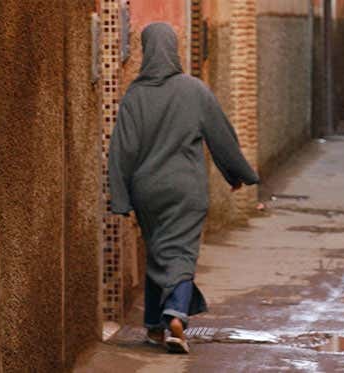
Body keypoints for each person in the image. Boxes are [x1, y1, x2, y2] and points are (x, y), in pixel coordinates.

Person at [108, 22, 259, 354]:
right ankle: (176, 316)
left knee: (158, 250)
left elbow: (122, 149)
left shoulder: (135, 95)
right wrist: (237, 174)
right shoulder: (195, 90)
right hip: (187, 190)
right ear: (174, 50)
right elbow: (221, 136)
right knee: (180, 253)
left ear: (147, 51)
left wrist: (119, 197)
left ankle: (154, 326)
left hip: (147, 191)